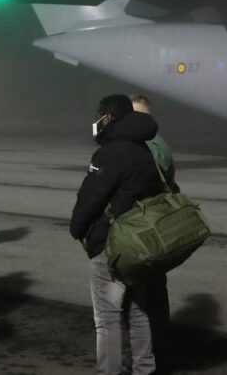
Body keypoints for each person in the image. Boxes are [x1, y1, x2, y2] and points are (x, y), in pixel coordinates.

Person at [70, 94, 166, 375]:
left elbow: (90, 198)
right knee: (138, 313)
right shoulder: (144, 151)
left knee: (108, 317)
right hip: (140, 244)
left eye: (100, 115)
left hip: (112, 245)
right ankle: (144, 369)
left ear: (108, 117)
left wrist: (77, 229)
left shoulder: (110, 153)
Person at [128, 94, 174, 373]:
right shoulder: (162, 144)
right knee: (158, 290)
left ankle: (146, 358)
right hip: (159, 227)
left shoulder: (142, 147)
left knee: (138, 297)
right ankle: (161, 349)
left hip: (141, 226)